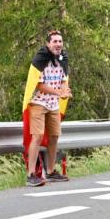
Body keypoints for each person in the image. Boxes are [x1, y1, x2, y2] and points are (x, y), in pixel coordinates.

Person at [24, 30, 71, 186]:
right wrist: (59, 92)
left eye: (60, 41)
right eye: (55, 41)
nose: (58, 44)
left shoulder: (63, 58)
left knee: (54, 137)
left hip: (54, 104)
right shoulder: (40, 59)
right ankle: (31, 174)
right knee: (36, 137)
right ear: (48, 44)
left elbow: (64, 78)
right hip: (38, 102)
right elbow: (38, 84)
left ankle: (50, 171)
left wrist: (65, 90)